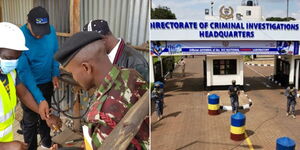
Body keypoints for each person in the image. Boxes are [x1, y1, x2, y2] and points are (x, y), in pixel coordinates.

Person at [54, 32, 149, 149]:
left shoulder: (102, 115)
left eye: (72, 73)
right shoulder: (131, 74)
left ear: (86, 68)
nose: (73, 78)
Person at [0, 22, 61, 150]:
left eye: (17, 58)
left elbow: (24, 94)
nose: (13, 63)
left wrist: (43, 112)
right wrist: (6, 147)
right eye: (8, 58)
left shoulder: (10, 72)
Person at [17, 6, 60, 149]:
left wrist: (55, 73)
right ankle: (30, 147)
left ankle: (47, 144)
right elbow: (24, 71)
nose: (39, 36)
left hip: (46, 81)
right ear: (27, 23)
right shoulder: (20, 37)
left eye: (42, 32)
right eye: (36, 32)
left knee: (45, 116)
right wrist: (39, 98)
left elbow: (55, 54)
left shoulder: (51, 31)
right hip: (28, 86)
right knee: (30, 120)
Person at [82, 19, 149, 82]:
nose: (90, 49)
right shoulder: (102, 55)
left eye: (91, 45)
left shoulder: (136, 62)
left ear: (103, 40)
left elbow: (144, 93)